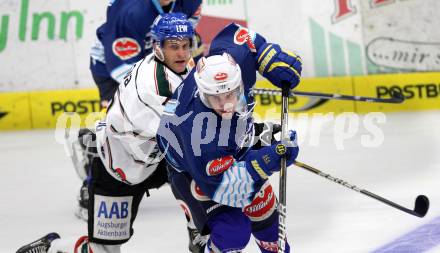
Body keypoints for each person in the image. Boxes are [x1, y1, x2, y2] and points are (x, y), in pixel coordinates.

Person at [16, 13, 207, 253]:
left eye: (185, 46)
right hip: (118, 168)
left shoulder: (173, 64)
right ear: (158, 47)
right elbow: (185, 135)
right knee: (103, 250)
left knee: (199, 171)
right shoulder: (152, 88)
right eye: (174, 47)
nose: (181, 53)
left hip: (155, 158)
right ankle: (52, 247)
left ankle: (199, 228)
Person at [156, 23, 302, 252]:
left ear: (239, 81)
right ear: (203, 94)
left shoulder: (235, 63)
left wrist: (267, 56)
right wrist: (268, 160)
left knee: (267, 220)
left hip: (231, 142)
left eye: (231, 94)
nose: (226, 105)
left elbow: (240, 36)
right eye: (216, 98)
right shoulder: (199, 134)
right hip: (192, 170)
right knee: (233, 231)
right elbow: (230, 189)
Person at [74, 0, 203, 222]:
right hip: (113, 66)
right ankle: (93, 174)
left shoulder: (190, 2)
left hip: (162, 59)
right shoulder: (131, 11)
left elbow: (186, 43)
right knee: (122, 130)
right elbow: (123, 70)